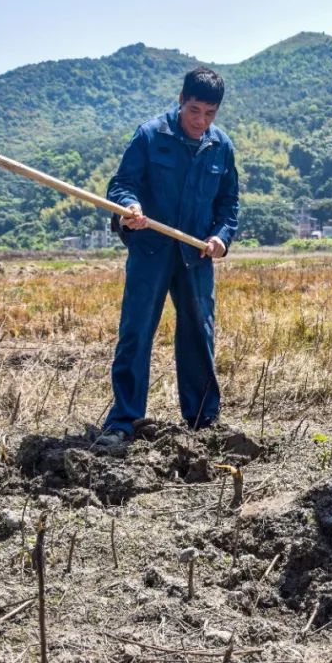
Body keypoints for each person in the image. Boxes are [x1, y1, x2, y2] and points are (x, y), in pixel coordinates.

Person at [95, 66, 239, 444]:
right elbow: (121, 185)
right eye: (194, 110)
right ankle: (124, 421)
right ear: (181, 101)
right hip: (151, 251)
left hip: (196, 254)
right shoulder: (149, 136)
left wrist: (221, 237)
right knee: (136, 333)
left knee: (198, 335)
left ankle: (203, 421)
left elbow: (229, 204)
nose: (200, 121)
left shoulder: (221, 146)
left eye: (210, 114)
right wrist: (130, 206)